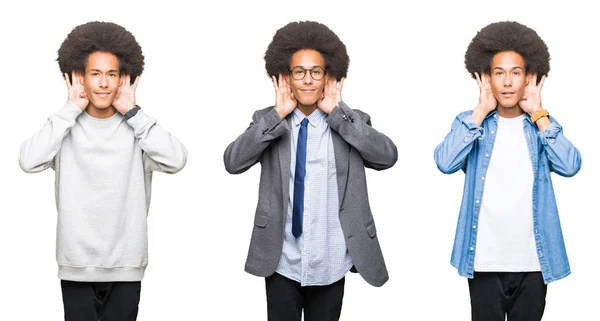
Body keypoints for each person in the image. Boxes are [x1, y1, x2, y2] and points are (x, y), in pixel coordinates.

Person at [224, 21, 397, 321]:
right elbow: (233, 162)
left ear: (328, 77)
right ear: (285, 77)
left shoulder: (351, 122)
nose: (307, 80)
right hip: (282, 261)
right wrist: (277, 114)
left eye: (316, 72)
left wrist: (341, 114)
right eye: (299, 72)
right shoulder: (268, 121)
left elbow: (387, 156)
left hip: (331, 261)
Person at [18, 21, 187, 321]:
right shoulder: (65, 127)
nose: (104, 83)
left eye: (112, 74)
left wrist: (134, 113)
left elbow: (177, 159)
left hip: (127, 265)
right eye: (95, 74)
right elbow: (28, 160)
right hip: (76, 265)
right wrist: (69, 109)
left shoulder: (138, 129)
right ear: (79, 77)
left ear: (125, 78)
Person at [434, 21, 581, 321]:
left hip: (534, 263)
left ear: (529, 78)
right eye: (499, 73)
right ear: (487, 78)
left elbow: (571, 165)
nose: (508, 82)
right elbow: (444, 162)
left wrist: (539, 114)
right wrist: (479, 111)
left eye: (516, 73)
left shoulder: (541, 126)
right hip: (485, 263)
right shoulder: (472, 124)